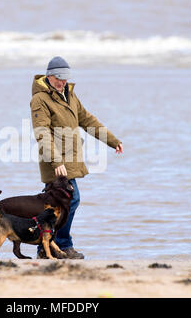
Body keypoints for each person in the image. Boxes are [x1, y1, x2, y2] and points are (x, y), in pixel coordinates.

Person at [30, 56, 123, 259]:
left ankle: (46, 247)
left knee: (57, 206)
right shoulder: (40, 99)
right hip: (56, 162)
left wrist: (112, 140)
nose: (62, 82)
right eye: (58, 79)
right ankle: (60, 245)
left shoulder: (69, 94)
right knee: (71, 200)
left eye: (65, 78)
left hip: (69, 160)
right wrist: (56, 161)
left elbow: (87, 119)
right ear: (49, 76)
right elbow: (42, 132)